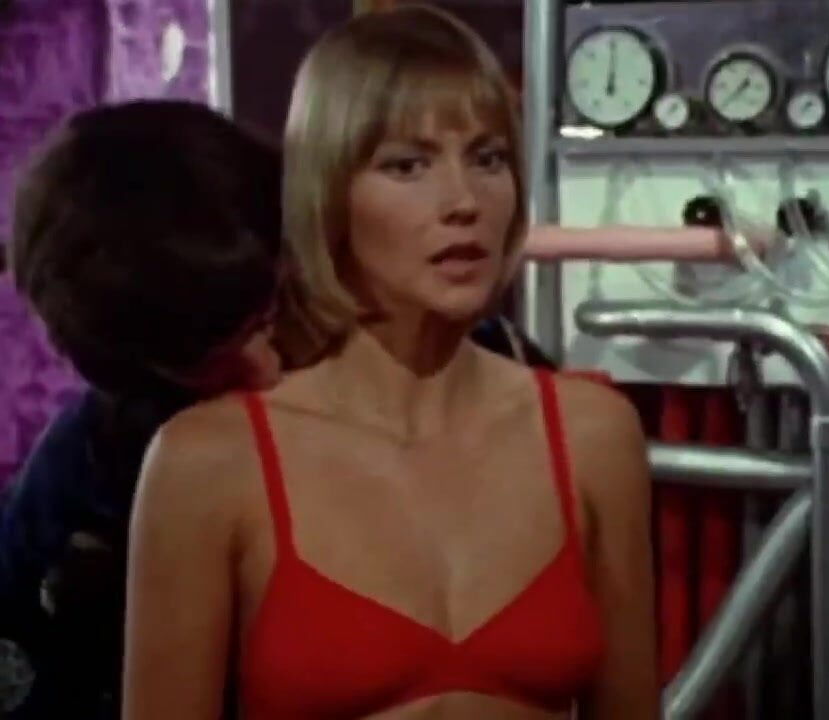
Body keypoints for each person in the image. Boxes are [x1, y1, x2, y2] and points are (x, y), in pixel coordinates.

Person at [123, 6, 657, 720]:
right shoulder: (210, 464)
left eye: (488, 158)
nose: (463, 202)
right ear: (328, 193)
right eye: (407, 165)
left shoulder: (594, 434)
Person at [0, 99, 550, 719]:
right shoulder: (88, 484)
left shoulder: (475, 369)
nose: (263, 368)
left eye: (270, 317)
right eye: (209, 363)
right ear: (140, 371)